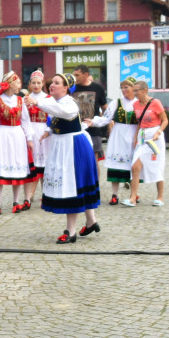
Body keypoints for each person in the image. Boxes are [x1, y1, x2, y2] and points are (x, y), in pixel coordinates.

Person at [24, 74, 101, 244]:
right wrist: (48, 131)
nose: (52, 85)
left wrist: (38, 102)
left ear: (66, 88)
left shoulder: (69, 103)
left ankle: (71, 231)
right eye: (52, 83)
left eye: (57, 83)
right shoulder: (56, 102)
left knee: (71, 186)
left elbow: (65, 113)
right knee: (78, 184)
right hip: (63, 145)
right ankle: (91, 221)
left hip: (72, 146)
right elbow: (56, 120)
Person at [0, 71, 36, 215]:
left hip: (18, 135)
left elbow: (25, 120)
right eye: (17, 82)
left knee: (17, 167)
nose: (20, 85)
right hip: (3, 134)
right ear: (10, 84)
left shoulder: (20, 101)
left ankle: (15, 201)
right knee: (1, 168)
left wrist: (29, 138)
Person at [89, 77, 139, 206]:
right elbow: (106, 119)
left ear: (133, 88)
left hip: (134, 134)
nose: (123, 90)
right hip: (119, 135)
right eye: (122, 87)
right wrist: (93, 122)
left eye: (126, 87)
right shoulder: (117, 103)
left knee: (134, 165)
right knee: (116, 165)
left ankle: (133, 194)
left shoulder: (139, 103)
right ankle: (114, 194)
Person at [124, 80, 169, 207]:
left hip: (154, 137)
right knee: (135, 167)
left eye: (136, 90)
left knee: (157, 166)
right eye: (134, 90)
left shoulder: (155, 103)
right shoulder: (136, 105)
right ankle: (133, 198)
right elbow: (139, 122)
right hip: (142, 136)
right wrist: (135, 137)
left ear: (144, 90)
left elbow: (165, 120)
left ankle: (159, 197)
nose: (134, 93)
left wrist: (158, 132)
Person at [70, 64, 108, 166]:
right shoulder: (72, 89)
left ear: (86, 74)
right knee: (77, 159)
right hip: (76, 128)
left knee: (93, 159)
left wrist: (106, 122)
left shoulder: (97, 88)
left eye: (77, 75)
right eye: (74, 75)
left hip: (94, 129)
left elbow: (105, 108)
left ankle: (96, 181)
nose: (75, 78)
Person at [24, 70, 50, 204]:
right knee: (33, 163)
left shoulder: (48, 99)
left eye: (38, 83)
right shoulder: (25, 99)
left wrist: (48, 130)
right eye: (33, 83)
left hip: (44, 132)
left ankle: (45, 193)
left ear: (43, 83)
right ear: (29, 84)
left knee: (44, 164)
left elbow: (51, 117)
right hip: (31, 131)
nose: (36, 85)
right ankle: (30, 193)